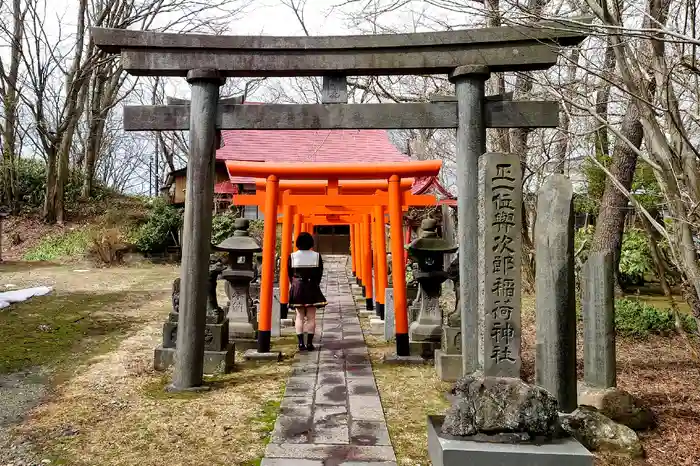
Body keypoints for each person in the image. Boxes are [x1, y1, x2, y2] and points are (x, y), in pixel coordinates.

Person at [288, 232, 327, 351]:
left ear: (298, 243)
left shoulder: (292, 256)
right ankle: (309, 343)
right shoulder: (316, 256)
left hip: (297, 285)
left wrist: (294, 284)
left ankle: (300, 343)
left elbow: (289, 273)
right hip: (311, 286)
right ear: (311, 242)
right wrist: (315, 284)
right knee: (311, 317)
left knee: (299, 316)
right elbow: (319, 273)